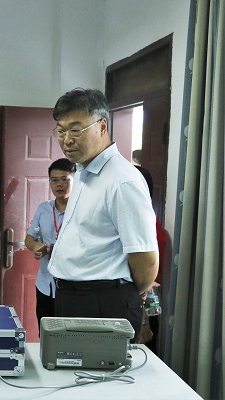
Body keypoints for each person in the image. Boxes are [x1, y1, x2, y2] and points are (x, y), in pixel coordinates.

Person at [47, 88, 158, 337]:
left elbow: (146, 262)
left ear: (102, 126)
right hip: (73, 296)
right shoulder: (83, 172)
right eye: (61, 131)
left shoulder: (122, 180)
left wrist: (118, 295)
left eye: (76, 130)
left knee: (99, 365)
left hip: (103, 302)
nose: (67, 139)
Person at [25, 158, 75, 332]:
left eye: (64, 179)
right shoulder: (43, 209)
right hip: (45, 284)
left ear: (75, 180)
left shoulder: (81, 210)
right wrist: (35, 246)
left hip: (74, 287)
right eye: (54, 180)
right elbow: (30, 237)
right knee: (46, 334)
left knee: (71, 335)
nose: (59, 184)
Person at [134, 165, 167, 352]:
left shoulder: (144, 222)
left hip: (141, 307)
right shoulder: (144, 218)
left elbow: (148, 279)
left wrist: (144, 321)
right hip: (142, 304)